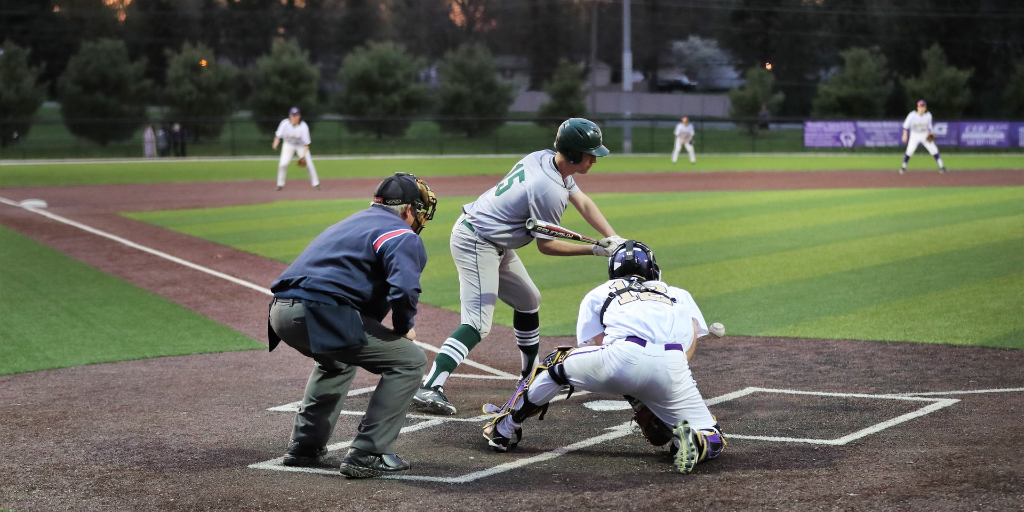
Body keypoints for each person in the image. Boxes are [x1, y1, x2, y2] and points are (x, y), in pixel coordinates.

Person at [411, 118, 626, 416]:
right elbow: (546, 245)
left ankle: (529, 376)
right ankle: (430, 386)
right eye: (590, 154)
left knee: (528, 300)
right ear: (574, 154)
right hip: (476, 240)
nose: (594, 159)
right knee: (477, 323)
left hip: (496, 240)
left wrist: (612, 237)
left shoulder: (545, 159)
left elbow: (583, 202)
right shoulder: (547, 189)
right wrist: (593, 249)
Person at [481, 240, 727, 475]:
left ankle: (503, 428)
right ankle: (696, 441)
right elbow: (690, 339)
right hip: (674, 365)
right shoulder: (679, 294)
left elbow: (594, 347)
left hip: (622, 357)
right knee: (713, 434)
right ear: (653, 269)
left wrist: (634, 389)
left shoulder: (601, 291)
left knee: (557, 363)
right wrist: (654, 396)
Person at [266, 172, 437, 479]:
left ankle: (305, 447)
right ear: (408, 210)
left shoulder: (351, 222)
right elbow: (404, 290)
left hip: (280, 312)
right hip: (320, 312)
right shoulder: (402, 235)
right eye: (419, 210)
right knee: (411, 361)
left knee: (336, 363)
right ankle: (369, 452)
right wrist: (403, 326)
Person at [272, 107, 321, 191]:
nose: (295, 117)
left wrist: (303, 156)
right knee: (283, 164)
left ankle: (316, 184)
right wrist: (275, 143)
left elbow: (306, 144)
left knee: (309, 163)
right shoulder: (284, 124)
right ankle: (280, 185)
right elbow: (278, 136)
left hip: (301, 146)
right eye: (293, 115)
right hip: (288, 144)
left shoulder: (303, 126)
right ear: (290, 116)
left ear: (299, 116)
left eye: (296, 115)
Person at [900, 100, 947, 175]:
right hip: (914, 134)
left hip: (924, 134)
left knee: (934, 149)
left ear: (925, 108)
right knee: (910, 150)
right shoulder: (912, 115)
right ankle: (903, 167)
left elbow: (929, 126)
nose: (921, 108)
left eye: (922, 106)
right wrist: (904, 134)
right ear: (917, 107)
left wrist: (931, 133)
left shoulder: (928, 115)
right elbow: (906, 126)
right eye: (919, 106)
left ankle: (942, 167)